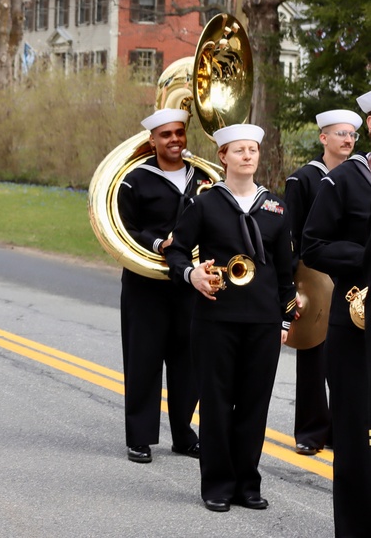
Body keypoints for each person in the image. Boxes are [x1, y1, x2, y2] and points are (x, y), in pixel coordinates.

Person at [165, 124, 295, 513]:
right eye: (239, 150)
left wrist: (285, 321)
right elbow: (176, 253)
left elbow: (287, 272)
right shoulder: (204, 204)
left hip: (263, 321)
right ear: (223, 157)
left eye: (253, 149)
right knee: (218, 402)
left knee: (254, 403)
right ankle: (217, 485)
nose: (248, 156)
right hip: (215, 319)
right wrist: (192, 274)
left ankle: (247, 484)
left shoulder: (275, 206)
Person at [116, 109, 207, 464]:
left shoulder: (203, 177)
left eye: (179, 133)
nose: (174, 140)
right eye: (166, 135)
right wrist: (158, 244)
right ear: (152, 140)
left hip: (190, 282)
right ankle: (139, 437)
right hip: (145, 285)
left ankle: (183, 434)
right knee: (143, 359)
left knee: (189, 361)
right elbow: (123, 229)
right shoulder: (134, 180)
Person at [301, 92, 371, 538]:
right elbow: (313, 244)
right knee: (354, 433)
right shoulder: (344, 180)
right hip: (358, 320)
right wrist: (365, 256)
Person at [284, 109, 360, 457]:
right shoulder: (304, 180)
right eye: (341, 133)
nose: (348, 140)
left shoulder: (360, 177)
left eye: (352, 135)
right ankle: (311, 431)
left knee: (347, 362)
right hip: (313, 279)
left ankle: (340, 429)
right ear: (323, 138)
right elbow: (294, 237)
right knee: (313, 357)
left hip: (350, 279)